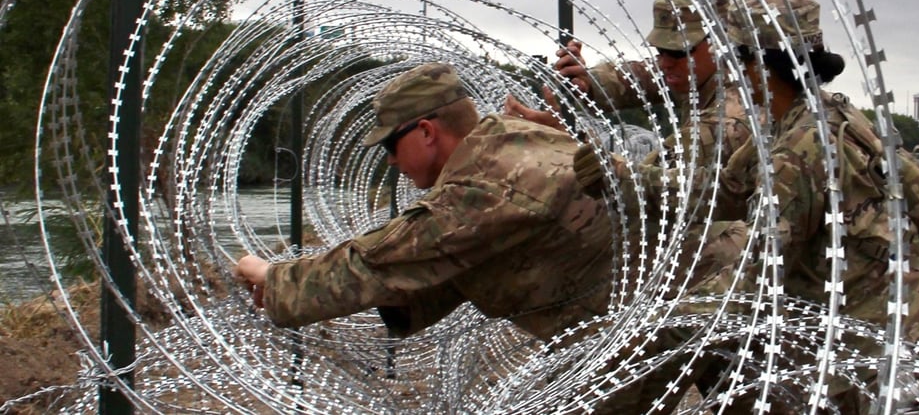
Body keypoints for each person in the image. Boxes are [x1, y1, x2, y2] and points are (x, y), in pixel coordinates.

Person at [234, 61, 743, 413]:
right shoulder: (512, 136)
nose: (389, 159)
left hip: (668, 308)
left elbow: (378, 261)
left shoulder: (480, 188)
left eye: (392, 144)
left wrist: (275, 279)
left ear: (427, 132)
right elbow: (458, 263)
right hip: (704, 286)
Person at [575, 0, 919, 411]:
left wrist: (649, 328)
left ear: (760, 67)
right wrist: (626, 178)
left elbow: (752, 280)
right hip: (889, 343)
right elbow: (722, 191)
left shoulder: (800, 151)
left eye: (738, 60)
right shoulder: (799, 120)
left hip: (913, 362)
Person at [505, 0, 752, 221]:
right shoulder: (708, 73)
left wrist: (562, 138)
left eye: (677, 52)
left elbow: (637, 181)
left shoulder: (728, 119)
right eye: (660, 51)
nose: (665, 62)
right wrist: (588, 82)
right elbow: (642, 77)